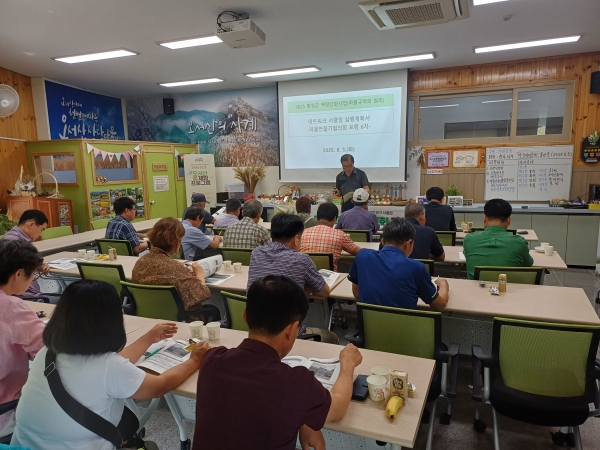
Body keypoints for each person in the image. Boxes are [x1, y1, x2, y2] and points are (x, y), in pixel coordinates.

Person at [11, 280, 210, 450]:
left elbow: (112, 365)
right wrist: (195, 359)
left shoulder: (47, 353)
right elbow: (159, 386)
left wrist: (149, 338)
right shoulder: (108, 367)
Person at [192, 275, 363, 450]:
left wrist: (303, 417)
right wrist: (348, 363)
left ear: (245, 315)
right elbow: (337, 407)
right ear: (291, 330)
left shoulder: (211, 360)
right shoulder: (297, 383)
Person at [247, 214, 338, 344]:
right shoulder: (301, 260)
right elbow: (325, 292)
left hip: (257, 330)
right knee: (332, 337)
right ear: (296, 239)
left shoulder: (256, 253)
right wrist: (303, 287)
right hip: (288, 334)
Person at [349, 218, 449, 311]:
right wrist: (443, 285)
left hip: (369, 323)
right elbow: (440, 305)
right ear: (408, 243)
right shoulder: (416, 268)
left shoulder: (362, 256)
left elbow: (357, 294)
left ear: (382, 241)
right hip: (404, 325)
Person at [0, 240, 45, 439]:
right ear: (19, 274)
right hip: (7, 411)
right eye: (33, 275)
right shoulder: (11, 307)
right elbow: (48, 350)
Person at [132, 218, 211, 313]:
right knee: (212, 309)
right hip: (179, 319)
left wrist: (184, 273)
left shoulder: (140, 262)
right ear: (176, 241)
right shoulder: (175, 267)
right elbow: (203, 294)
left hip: (147, 314)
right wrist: (200, 274)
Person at [463, 198, 533, 280]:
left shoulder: (469, 240)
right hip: (507, 287)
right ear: (509, 220)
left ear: (485, 218)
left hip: (476, 288)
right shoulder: (519, 242)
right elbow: (528, 264)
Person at [2, 209, 53, 301]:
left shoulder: (17, 240)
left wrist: (39, 265)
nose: (40, 234)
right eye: (41, 229)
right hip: (25, 297)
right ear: (31, 225)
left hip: (28, 294)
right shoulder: (14, 243)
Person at [300, 202, 360, 271]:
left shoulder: (303, 233)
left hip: (305, 276)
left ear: (317, 217)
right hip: (330, 276)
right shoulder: (340, 235)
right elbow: (359, 252)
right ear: (335, 218)